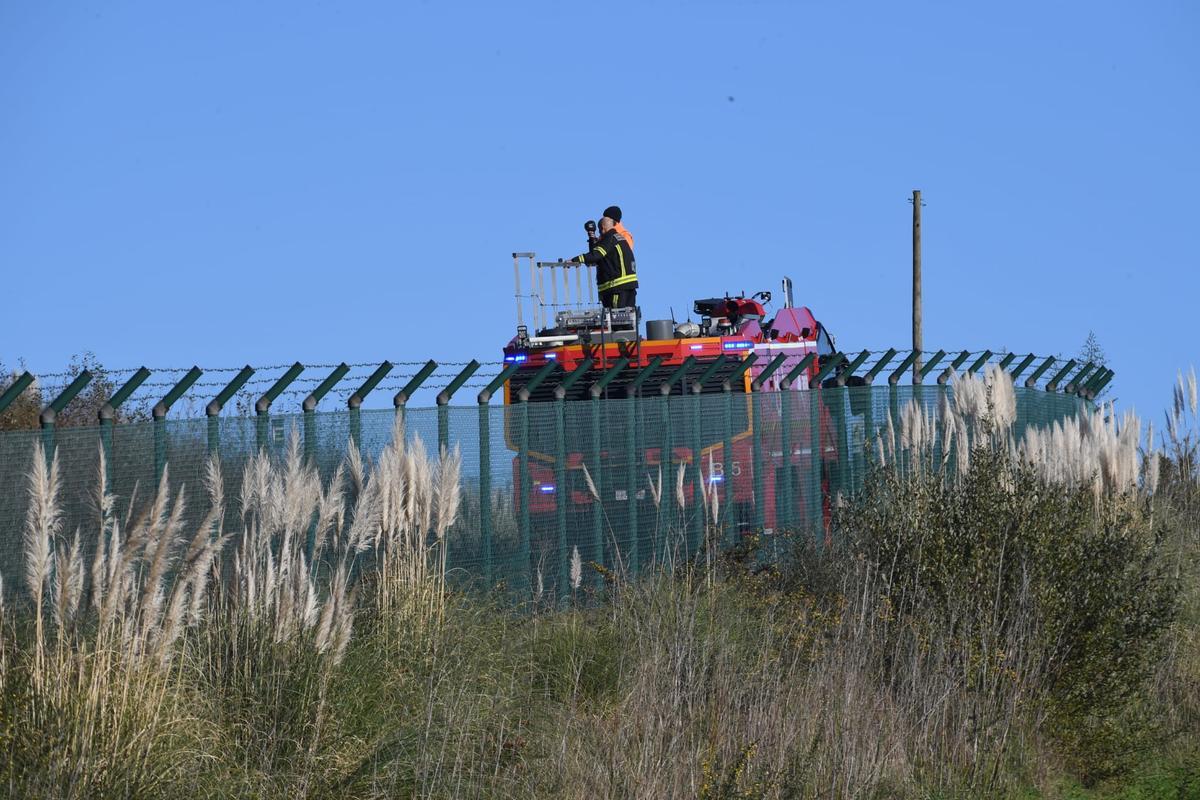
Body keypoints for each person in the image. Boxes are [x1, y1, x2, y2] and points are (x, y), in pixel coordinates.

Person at [570, 210, 638, 309]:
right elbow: (599, 253)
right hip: (628, 286)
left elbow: (597, 255)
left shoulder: (610, 238)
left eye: (599, 230)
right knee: (628, 318)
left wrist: (575, 260)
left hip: (617, 287)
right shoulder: (620, 237)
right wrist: (592, 238)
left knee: (616, 318)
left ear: (603, 228)